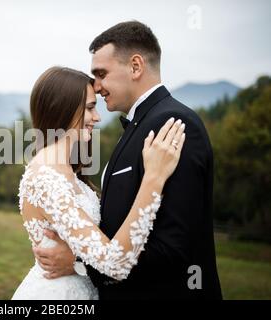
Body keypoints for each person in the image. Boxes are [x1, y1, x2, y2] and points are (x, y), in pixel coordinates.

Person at [32, 21, 222, 300]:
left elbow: (174, 247)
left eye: (101, 74)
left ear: (135, 66)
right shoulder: (138, 126)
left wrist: (79, 264)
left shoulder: (174, 125)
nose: (96, 87)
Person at [12, 66, 185, 299]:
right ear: (63, 108)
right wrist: (153, 179)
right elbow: (115, 263)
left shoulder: (66, 170)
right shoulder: (45, 178)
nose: (97, 117)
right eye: (90, 107)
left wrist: (75, 262)